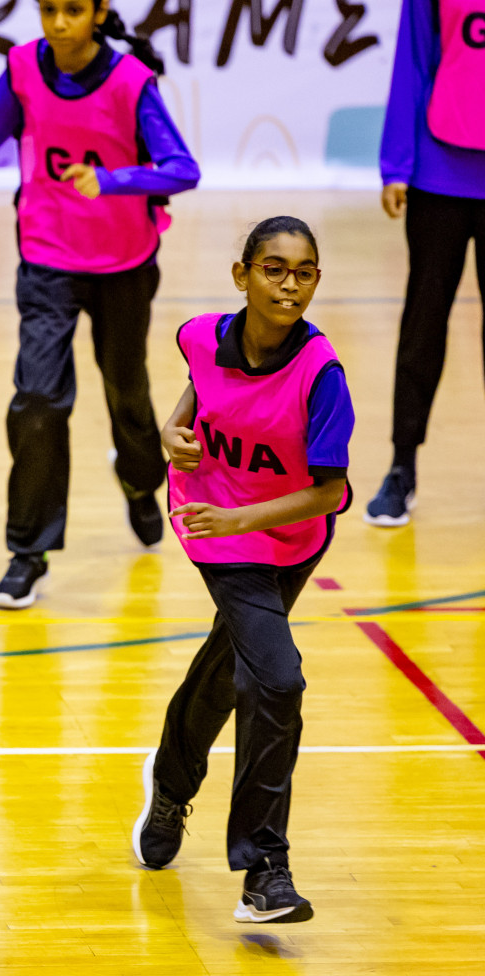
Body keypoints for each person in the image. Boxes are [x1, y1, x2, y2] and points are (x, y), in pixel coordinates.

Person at [0, 0, 199, 608]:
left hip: (124, 264)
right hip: (47, 258)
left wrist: (112, 181)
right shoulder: (24, 69)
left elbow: (182, 169)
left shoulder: (132, 80)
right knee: (37, 400)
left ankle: (140, 483)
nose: (59, 24)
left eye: (73, 11)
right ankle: (27, 552)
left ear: (99, 12)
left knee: (128, 394)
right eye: (49, 10)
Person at [132, 218, 354, 924]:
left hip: (288, 535)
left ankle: (170, 780)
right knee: (277, 675)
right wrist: (172, 429)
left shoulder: (322, 375)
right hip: (213, 525)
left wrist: (245, 520)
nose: (290, 284)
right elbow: (198, 388)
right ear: (242, 276)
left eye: (305, 272)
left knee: (238, 663)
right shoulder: (201, 334)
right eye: (274, 268)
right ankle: (264, 868)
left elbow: (332, 492)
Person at [366, 0, 485, 527]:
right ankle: (402, 467)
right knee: (423, 322)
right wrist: (396, 162)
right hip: (441, 171)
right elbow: (412, 62)